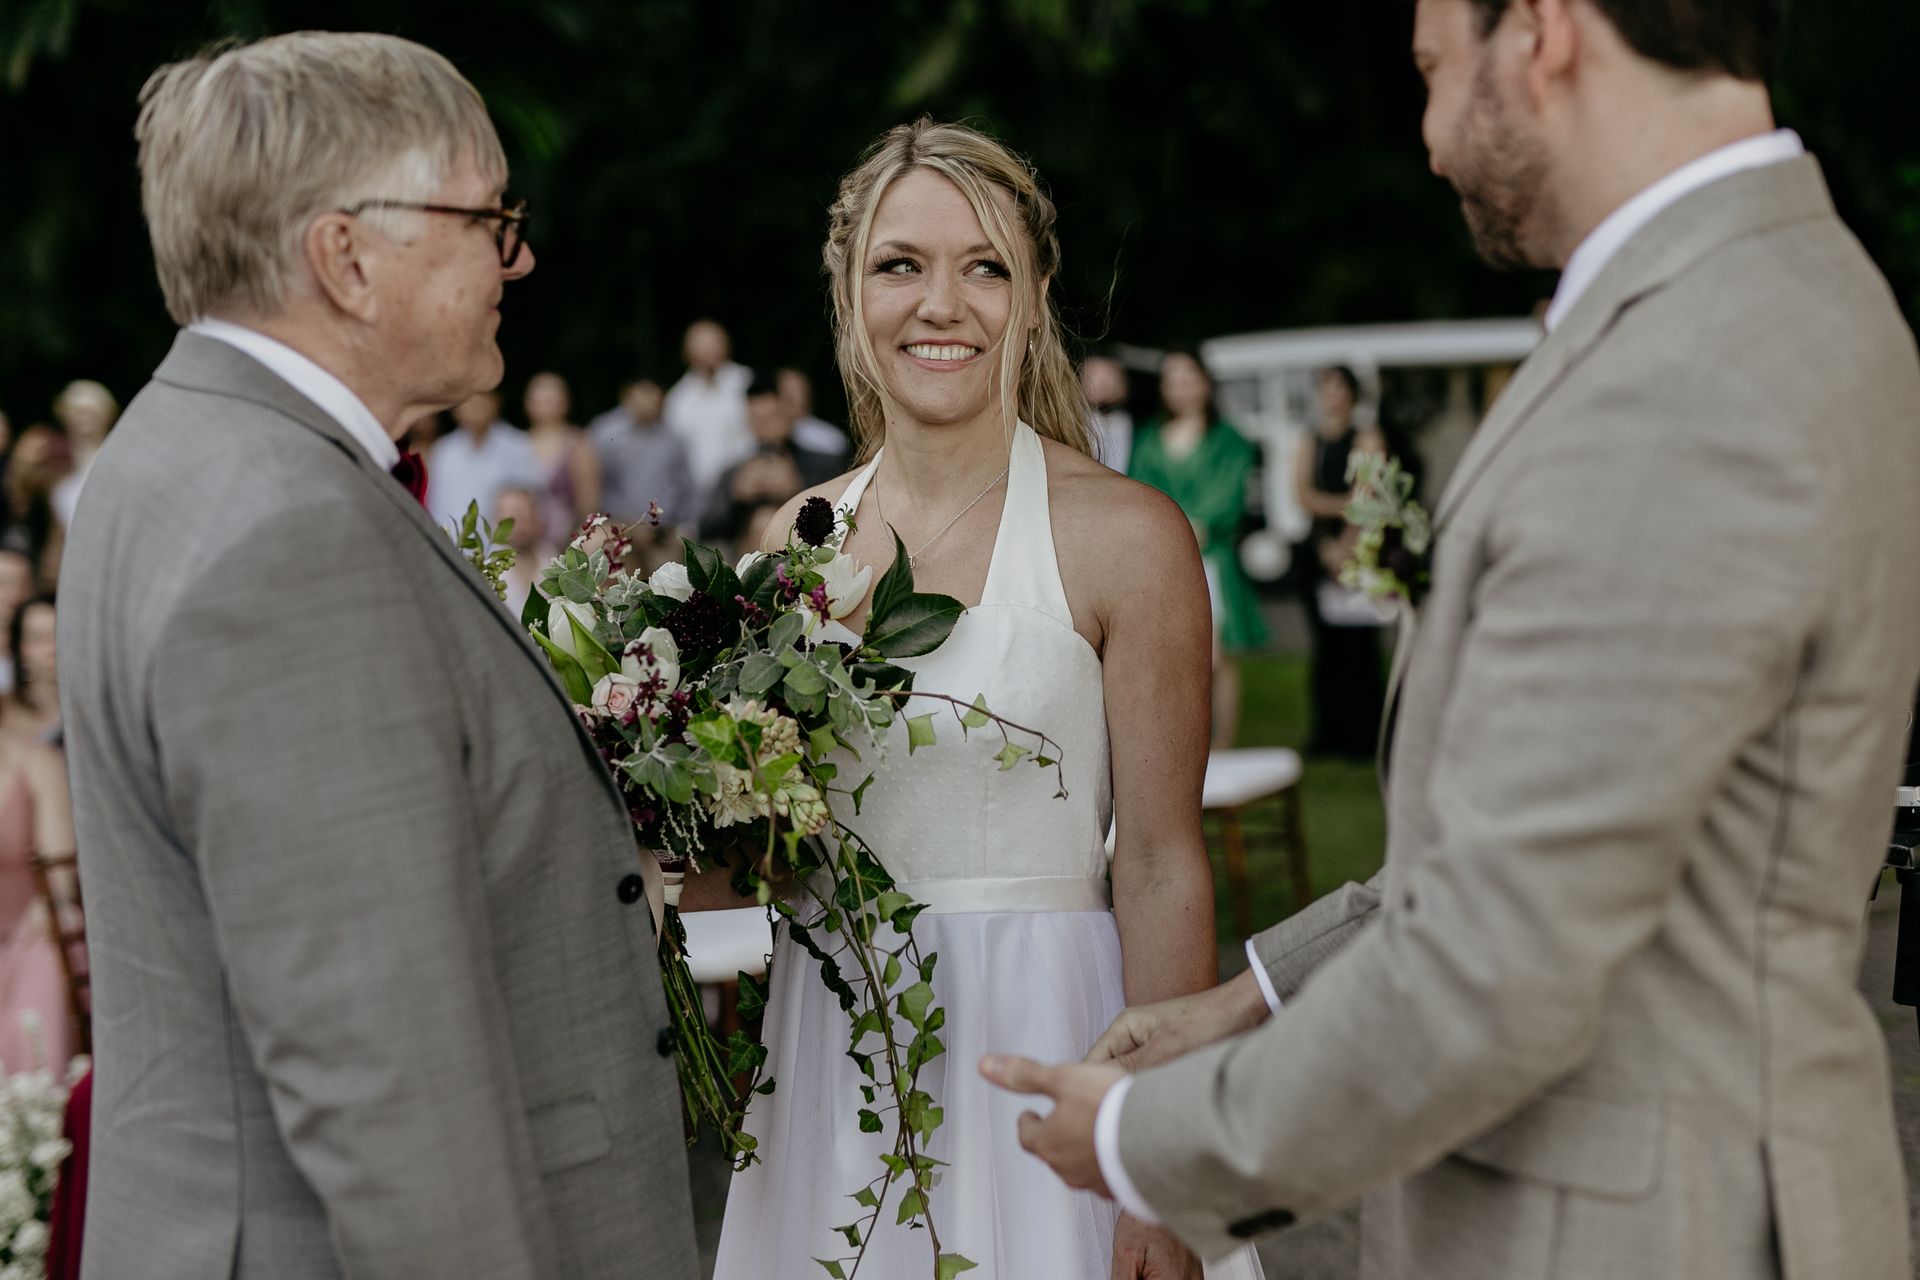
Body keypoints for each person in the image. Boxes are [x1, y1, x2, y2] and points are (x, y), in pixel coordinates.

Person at [984, 2, 1920, 1278]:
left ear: (1538, 33)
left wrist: (1156, 1141)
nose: (1427, 141)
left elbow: (1502, 956)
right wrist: (1250, 994)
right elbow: (1561, 839)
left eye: (1429, 71)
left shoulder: (1689, 375)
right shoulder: (1756, 295)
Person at [58, 33, 699, 1278]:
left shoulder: (174, 449)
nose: (517, 256)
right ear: (347, 257)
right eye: (485, 218)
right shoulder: (290, 534)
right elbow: (384, 1074)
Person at [706, 118, 1260, 1280]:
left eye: (985, 266)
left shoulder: (1127, 534)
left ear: (1036, 293)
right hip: (838, 1063)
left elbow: (1161, 860)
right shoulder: (793, 542)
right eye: (900, 264)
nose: (940, 304)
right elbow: (761, 852)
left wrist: (1150, 1163)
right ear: (850, 291)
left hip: (1052, 1044)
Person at [1127, 350, 1267, 747]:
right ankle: (1180, 744)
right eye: (1172, 380)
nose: (1181, 388)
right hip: (1164, 559)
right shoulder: (1149, 438)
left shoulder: (1230, 440)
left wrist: (1189, 526)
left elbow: (1230, 495)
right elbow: (1140, 491)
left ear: (1206, 382)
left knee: (1218, 659)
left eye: (1189, 378)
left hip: (1212, 558)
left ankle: (1221, 747)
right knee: (1170, 657)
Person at [1294, 365, 1388, 758]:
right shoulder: (1309, 440)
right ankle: (1329, 732)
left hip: (1358, 548)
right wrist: (1338, 514)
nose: (1332, 397)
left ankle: (1365, 736)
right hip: (1318, 549)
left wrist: (1347, 546)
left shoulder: (1366, 437)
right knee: (1326, 648)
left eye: (1339, 388)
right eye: (1326, 389)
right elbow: (1302, 494)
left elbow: (1367, 496)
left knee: (1360, 647)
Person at [0, 711, 78, 1074]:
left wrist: (46, 905)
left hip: (34, 930)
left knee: (43, 962)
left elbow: (58, 878)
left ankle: (38, 1114)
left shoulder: (38, 762)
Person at [700, 371, 841, 553]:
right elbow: (705, 527)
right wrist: (734, 496)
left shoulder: (822, 463)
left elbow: (842, 516)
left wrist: (796, 489)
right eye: (756, 420)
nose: (765, 427)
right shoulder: (735, 472)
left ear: (789, 413)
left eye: (771, 417)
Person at [587, 377, 700, 542]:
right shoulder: (605, 434)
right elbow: (594, 485)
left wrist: (688, 525)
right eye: (644, 394)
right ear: (627, 395)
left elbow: (686, 488)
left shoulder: (672, 440)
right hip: (617, 525)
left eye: (654, 395)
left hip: (665, 530)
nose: (649, 401)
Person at [663, 318, 754, 511]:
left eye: (714, 343)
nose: (708, 350)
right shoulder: (678, 399)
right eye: (701, 345)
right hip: (698, 498)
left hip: (746, 491)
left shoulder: (747, 383)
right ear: (686, 352)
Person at [425, 388, 536, 528]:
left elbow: (529, 503)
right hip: (452, 543)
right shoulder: (443, 451)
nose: (475, 405)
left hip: (504, 546)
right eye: (468, 399)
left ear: (496, 401)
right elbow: (437, 506)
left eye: (481, 398)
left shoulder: (519, 445)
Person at [522, 370, 600, 544]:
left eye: (550, 400)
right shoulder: (518, 443)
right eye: (539, 400)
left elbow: (588, 504)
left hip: (566, 535)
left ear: (565, 403)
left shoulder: (578, 444)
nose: (544, 406)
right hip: (524, 537)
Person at [48, 381, 118, 530]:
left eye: (92, 413)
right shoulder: (56, 463)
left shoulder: (115, 459)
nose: (85, 420)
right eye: (79, 412)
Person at [0, 595, 59, 744]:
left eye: (57, 635)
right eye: (38, 639)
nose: (51, 648)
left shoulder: (93, 708)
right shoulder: (5, 710)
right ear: (19, 649)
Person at [775, 366, 851, 459]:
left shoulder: (830, 438)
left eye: (796, 390)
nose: (789, 396)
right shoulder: (760, 433)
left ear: (807, 394)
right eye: (784, 389)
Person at [1080, 353, 1133, 473]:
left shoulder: (1124, 422)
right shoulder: (1076, 419)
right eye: (1093, 376)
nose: (1100, 384)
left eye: (1108, 377)